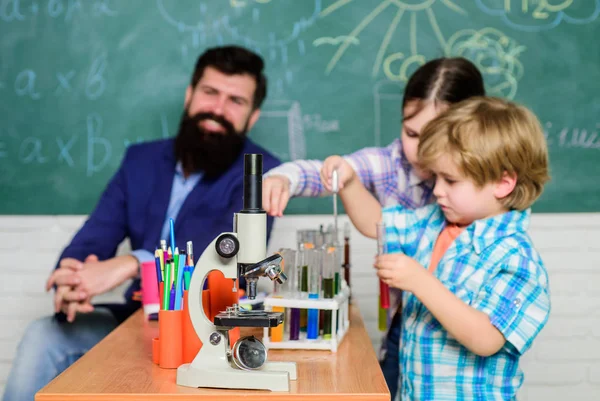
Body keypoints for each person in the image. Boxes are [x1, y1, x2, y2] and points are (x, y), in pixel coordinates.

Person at [3, 45, 280, 401]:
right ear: (189, 95)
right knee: (45, 335)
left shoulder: (261, 175)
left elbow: (225, 262)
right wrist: (73, 280)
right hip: (133, 322)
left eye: (235, 101)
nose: (218, 109)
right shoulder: (140, 161)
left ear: (252, 116)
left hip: (204, 331)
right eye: (210, 93)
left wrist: (133, 262)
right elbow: (92, 239)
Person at [262, 56, 485, 399]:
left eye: (436, 136)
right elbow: (339, 179)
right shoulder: (391, 163)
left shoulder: (486, 186)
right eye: (411, 133)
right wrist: (285, 177)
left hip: (468, 331)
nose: (421, 149)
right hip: (405, 326)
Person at [336, 96, 551, 399]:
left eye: (450, 180)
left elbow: (485, 338)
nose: (437, 190)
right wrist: (349, 183)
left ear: (503, 184)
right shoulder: (434, 222)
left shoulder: (516, 258)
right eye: (436, 177)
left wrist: (420, 281)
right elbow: (377, 222)